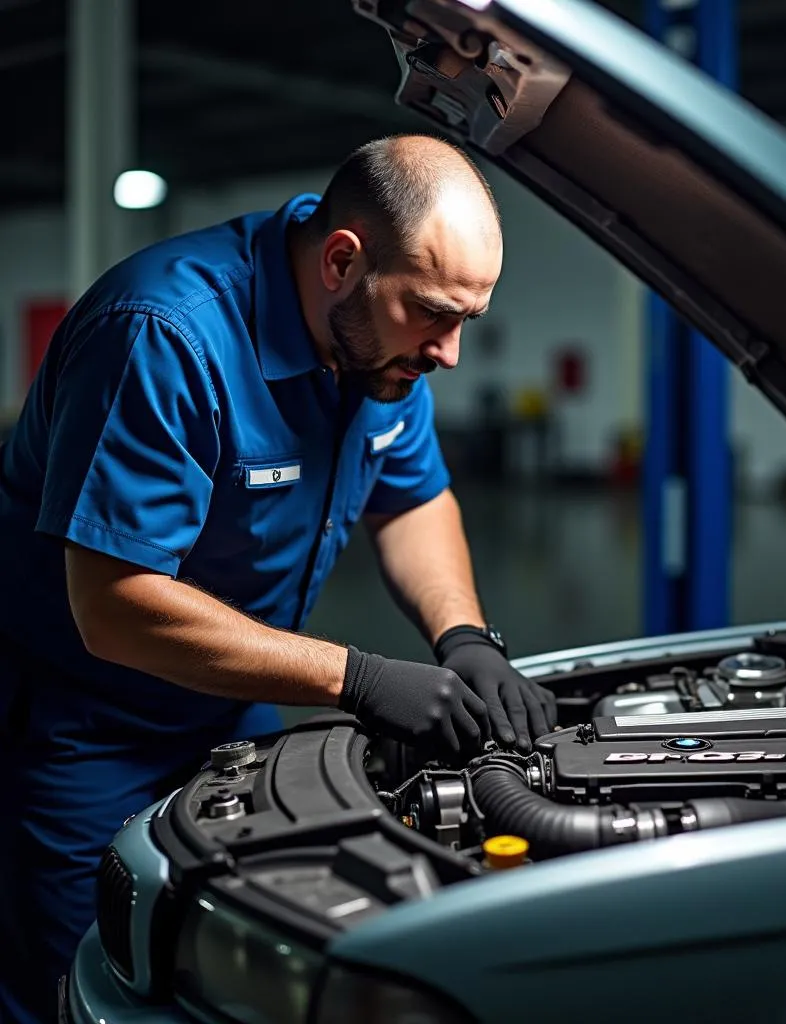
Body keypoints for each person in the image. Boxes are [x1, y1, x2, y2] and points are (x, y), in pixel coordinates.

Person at [0, 134, 557, 1023]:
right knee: (89, 980)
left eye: (466, 321)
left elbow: (414, 500)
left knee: (246, 963)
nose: (448, 353)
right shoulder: (162, 335)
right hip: (85, 724)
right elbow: (112, 607)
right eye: (434, 315)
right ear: (343, 260)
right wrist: (357, 678)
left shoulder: (381, 342)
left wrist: (462, 637)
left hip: (232, 702)